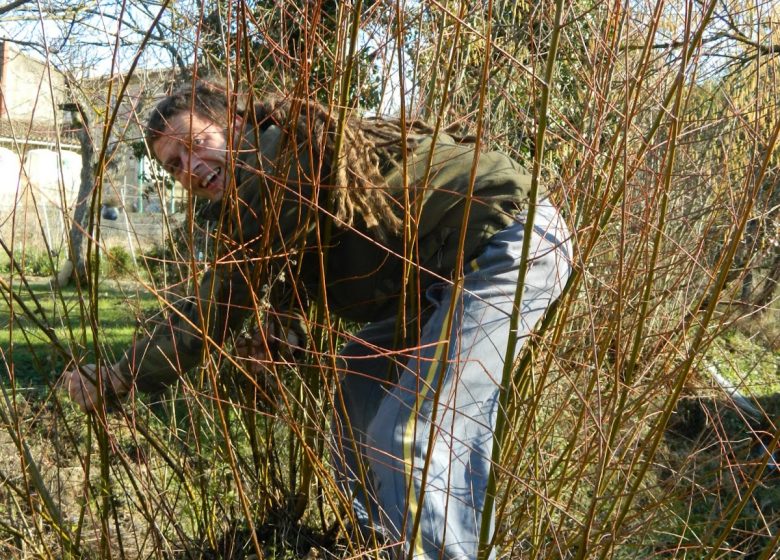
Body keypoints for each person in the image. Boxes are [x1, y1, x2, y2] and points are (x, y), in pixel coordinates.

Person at [63, 79, 572, 559]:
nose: (190, 167)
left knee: (414, 433)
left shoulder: (276, 166)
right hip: (443, 279)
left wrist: (120, 375)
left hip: (509, 247)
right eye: (174, 165)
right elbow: (308, 267)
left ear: (237, 122)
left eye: (197, 143)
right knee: (359, 380)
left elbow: (211, 312)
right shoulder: (277, 170)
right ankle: (386, 546)